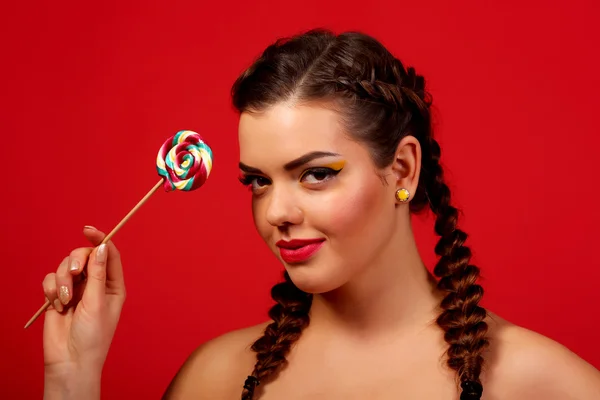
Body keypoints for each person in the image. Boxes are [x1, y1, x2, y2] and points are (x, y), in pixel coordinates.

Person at [41, 29, 600, 400]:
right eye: (258, 181)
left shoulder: (539, 383)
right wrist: (71, 377)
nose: (277, 213)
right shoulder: (211, 379)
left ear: (403, 170)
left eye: (316, 173)